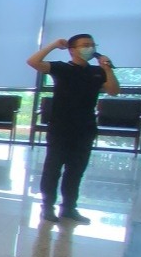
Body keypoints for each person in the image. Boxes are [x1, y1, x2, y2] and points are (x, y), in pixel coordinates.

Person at [27, 34, 119, 224]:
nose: (90, 48)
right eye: (85, 45)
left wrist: (107, 68)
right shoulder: (62, 68)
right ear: (72, 50)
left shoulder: (97, 72)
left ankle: (69, 208)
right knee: (53, 169)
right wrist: (54, 45)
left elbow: (113, 90)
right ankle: (47, 206)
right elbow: (33, 62)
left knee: (76, 170)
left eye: (92, 45)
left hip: (85, 128)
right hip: (60, 127)